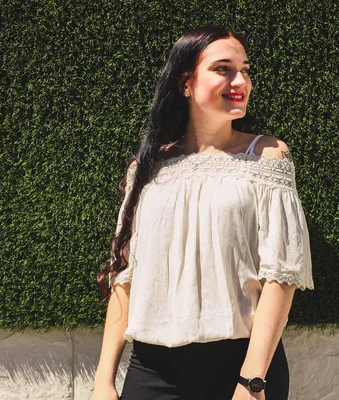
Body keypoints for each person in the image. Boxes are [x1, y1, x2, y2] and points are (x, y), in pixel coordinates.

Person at [92, 26, 314, 400]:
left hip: (240, 367)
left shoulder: (267, 156)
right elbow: (126, 276)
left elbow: (281, 275)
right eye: (223, 68)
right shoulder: (147, 167)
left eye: (245, 69)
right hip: (152, 368)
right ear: (186, 83)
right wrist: (103, 380)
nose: (239, 80)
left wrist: (252, 382)